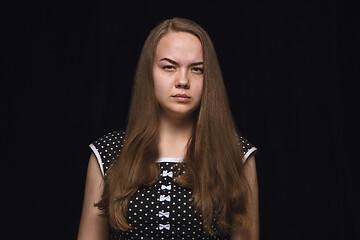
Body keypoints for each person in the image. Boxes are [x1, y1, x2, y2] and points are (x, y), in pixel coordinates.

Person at [78, 17, 259, 240]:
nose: (183, 80)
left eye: (197, 69)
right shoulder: (108, 152)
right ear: (149, 73)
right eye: (169, 67)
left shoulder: (236, 154)